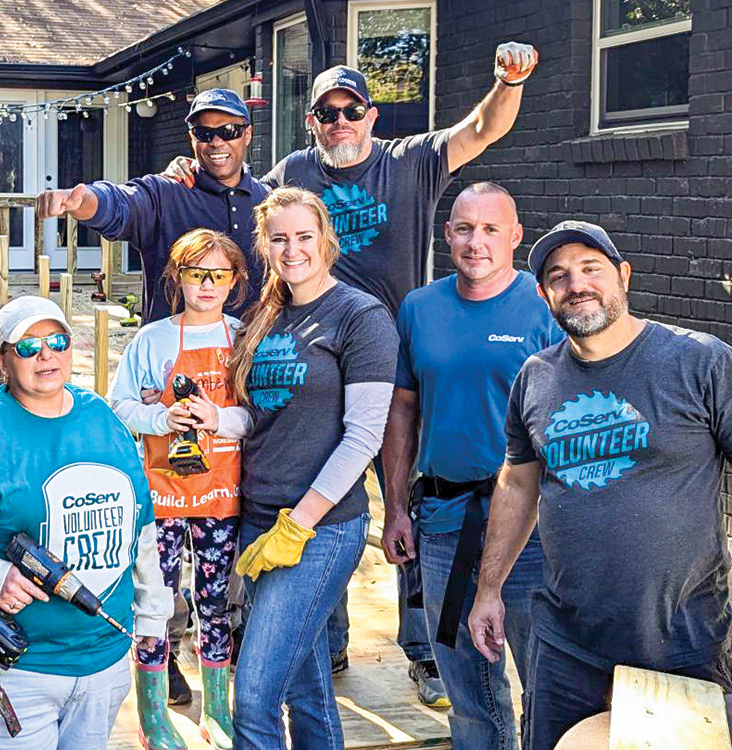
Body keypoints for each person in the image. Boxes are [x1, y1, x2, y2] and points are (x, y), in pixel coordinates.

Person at [166, 42, 539, 701]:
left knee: (410, 507)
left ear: (371, 114)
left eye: (351, 109)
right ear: (312, 121)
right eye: (326, 113)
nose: (340, 121)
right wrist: (184, 175)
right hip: (319, 362)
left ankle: (424, 652)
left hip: (401, 362)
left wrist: (507, 80)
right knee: (326, 500)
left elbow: (484, 127)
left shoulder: (410, 160)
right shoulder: (296, 169)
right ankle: (328, 644)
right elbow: (246, 204)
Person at [467, 221, 732, 750]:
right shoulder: (536, 377)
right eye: (559, 276)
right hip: (566, 646)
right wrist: (489, 588)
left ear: (624, 277)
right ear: (544, 296)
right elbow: (518, 484)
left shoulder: (700, 361)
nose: (577, 284)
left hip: (682, 643)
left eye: (592, 269)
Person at [200, 186, 397, 749]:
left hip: (321, 528)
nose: (292, 250)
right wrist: (218, 418)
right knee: (306, 690)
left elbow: (363, 436)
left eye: (304, 237)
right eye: (279, 238)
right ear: (264, 244)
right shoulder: (266, 316)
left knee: (255, 696)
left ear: (326, 241)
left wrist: (300, 522)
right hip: (259, 518)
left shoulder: (360, 317)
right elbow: (261, 419)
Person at [0, 295, 172, 750]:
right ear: (3, 360)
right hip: (8, 676)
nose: (46, 354)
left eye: (57, 341)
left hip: (102, 666)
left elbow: (140, 527)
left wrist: (153, 615)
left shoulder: (101, 417)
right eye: (27, 345)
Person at [381, 183, 564, 749]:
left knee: (548, 681)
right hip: (444, 521)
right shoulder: (419, 307)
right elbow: (403, 411)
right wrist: (394, 508)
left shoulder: (546, 309)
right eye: (464, 228)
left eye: (490, 230)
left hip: (534, 531)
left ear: (515, 237)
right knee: (466, 685)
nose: (476, 242)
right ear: (447, 236)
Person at [109, 229, 248, 750]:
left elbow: (258, 415)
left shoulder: (245, 336)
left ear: (235, 281)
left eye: (219, 274)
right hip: (161, 493)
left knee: (216, 603)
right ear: (178, 277)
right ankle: (152, 717)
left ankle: (217, 710)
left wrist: (221, 417)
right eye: (196, 273)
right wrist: (160, 416)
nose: (207, 284)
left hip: (223, 492)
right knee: (155, 602)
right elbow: (118, 405)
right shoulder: (152, 340)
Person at [35, 88, 270, 324]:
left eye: (229, 131)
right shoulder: (165, 193)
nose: (217, 142)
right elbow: (120, 203)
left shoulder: (269, 202)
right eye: (204, 133)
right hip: (174, 356)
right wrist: (81, 200)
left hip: (252, 355)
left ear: (247, 135)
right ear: (192, 138)